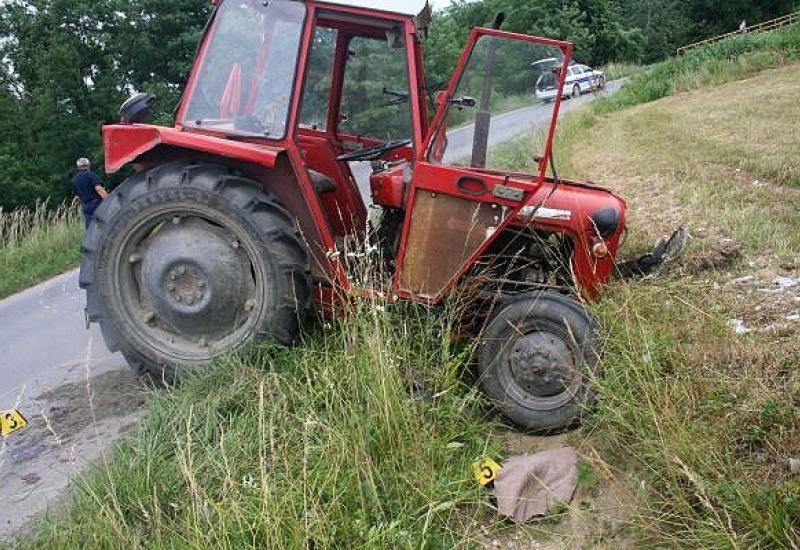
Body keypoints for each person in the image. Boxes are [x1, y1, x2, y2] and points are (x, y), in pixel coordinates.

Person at [70, 158, 108, 229]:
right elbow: (99, 189)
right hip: (96, 203)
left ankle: (92, 239)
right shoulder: (91, 175)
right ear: (88, 165)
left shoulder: (74, 180)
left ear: (78, 167)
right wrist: (108, 199)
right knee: (104, 223)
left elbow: (76, 194)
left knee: (91, 226)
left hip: (85, 205)